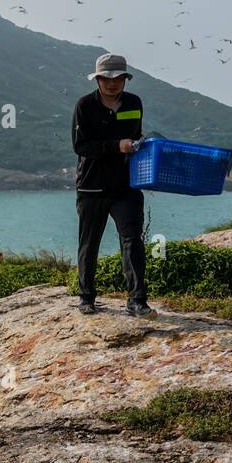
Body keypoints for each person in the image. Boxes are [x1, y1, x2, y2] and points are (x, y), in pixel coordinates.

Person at [72, 53, 155, 318]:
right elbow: (80, 146)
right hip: (92, 187)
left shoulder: (134, 102)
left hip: (126, 186)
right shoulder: (84, 105)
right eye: (106, 78)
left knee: (132, 240)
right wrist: (115, 146)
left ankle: (137, 300)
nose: (112, 83)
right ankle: (86, 298)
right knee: (89, 243)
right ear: (97, 79)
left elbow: (136, 134)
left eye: (118, 78)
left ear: (125, 79)